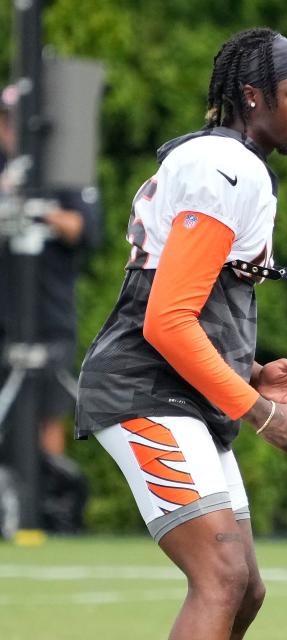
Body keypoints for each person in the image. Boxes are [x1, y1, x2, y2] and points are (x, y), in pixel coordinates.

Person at [75, 28, 287, 639]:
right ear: (253, 97)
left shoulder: (231, 165)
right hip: (145, 389)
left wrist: (251, 371)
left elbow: (192, 303)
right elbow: (165, 321)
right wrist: (261, 411)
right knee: (221, 575)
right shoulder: (224, 167)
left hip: (182, 392)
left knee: (244, 590)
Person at [0, 84, 101, 533]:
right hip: (5, 313)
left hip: (48, 313)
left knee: (48, 411)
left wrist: (35, 211)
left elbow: (82, 227)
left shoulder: (62, 172)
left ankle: (47, 510)